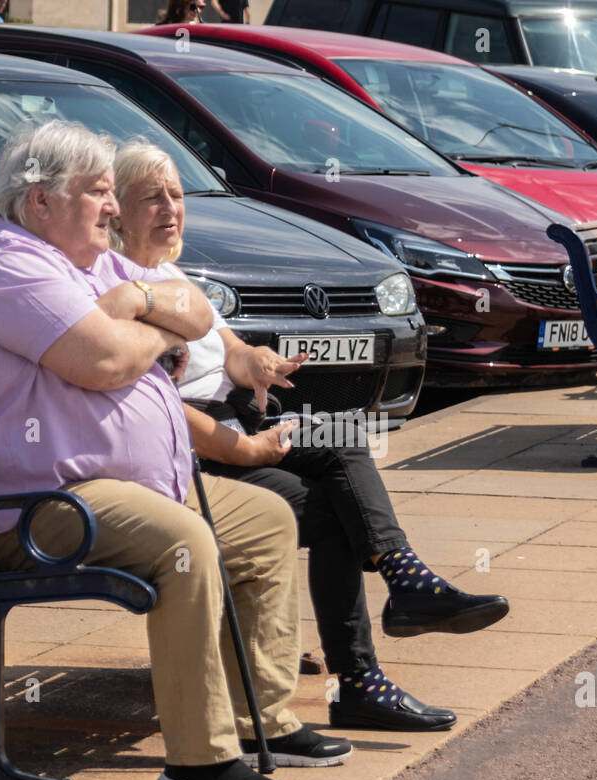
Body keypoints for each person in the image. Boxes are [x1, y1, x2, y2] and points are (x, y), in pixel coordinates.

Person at [0, 121, 352, 780]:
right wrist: (160, 335)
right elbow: (102, 363)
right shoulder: (6, 265)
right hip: (39, 507)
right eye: (98, 192)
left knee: (269, 518)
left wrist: (138, 304)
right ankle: (200, 760)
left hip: (117, 495)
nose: (111, 208)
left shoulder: (95, 264)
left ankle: (261, 723)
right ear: (40, 201)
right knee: (188, 545)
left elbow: (195, 305)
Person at [108, 139, 510, 730]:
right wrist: (245, 449)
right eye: (151, 197)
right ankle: (368, 665)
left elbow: (231, 349)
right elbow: (154, 407)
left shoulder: (170, 277)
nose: (171, 206)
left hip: (234, 429)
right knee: (333, 512)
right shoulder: (123, 291)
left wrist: (255, 361)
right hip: (187, 458)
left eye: (176, 192)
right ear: (115, 210)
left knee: (344, 440)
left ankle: (401, 588)